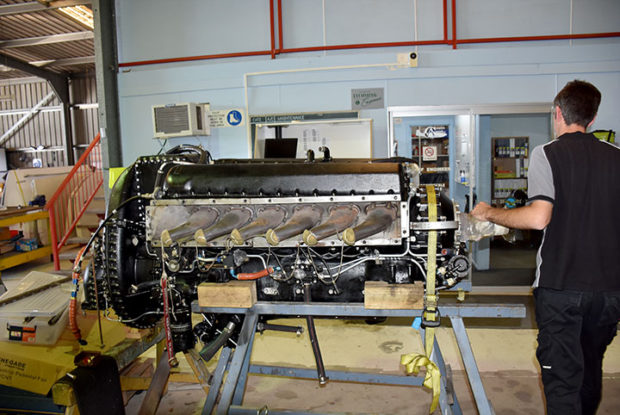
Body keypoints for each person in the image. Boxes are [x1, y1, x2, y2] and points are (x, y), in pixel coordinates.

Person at [471, 80, 620, 415]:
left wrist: (489, 212)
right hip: (610, 292)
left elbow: (539, 217)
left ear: (557, 113)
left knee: (563, 380)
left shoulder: (547, 154)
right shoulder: (616, 157)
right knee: (590, 368)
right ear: (592, 118)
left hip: (561, 287)